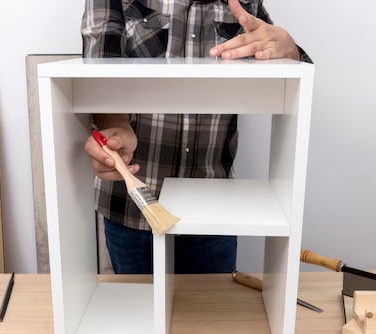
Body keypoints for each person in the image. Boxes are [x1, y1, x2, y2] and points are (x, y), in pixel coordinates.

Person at [81, 0, 312, 274]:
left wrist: (291, 50)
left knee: (209, 313)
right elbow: (95, 75)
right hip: (131, 209)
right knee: (140, 312)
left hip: (214, 211)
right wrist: (116, 125)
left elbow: (285, 77)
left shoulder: (245, 4)